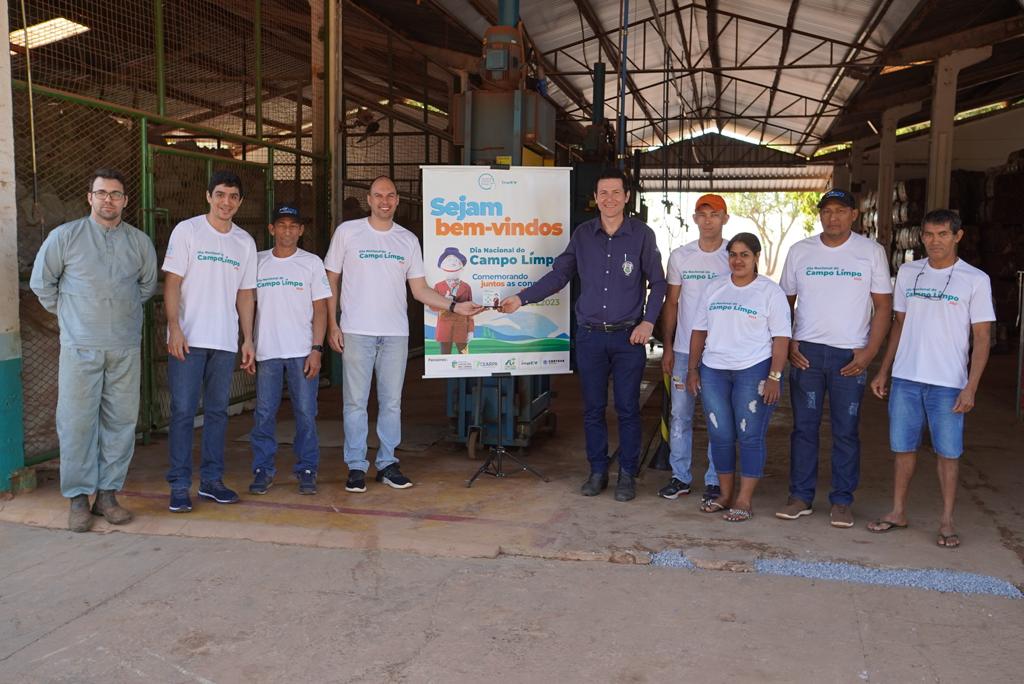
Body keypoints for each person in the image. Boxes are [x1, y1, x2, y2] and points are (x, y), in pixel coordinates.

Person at [500, 168, 666, 502]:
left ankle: (628, 475)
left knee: (627, 409)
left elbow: (658, 283)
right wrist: (521, 298)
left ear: (627, 197)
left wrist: (648, 323)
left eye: (616, 192)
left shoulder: (642, 235)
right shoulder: (582, 235)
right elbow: (559, 275)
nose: (609, 199)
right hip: (590, 337)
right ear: (595, 198)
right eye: (603, 193)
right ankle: (598, 471)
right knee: (592, 409)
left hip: (627, 339)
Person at [325, 176, 482, 493]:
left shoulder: (407, 240)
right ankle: (356, 466)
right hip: (356, 330)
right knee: (355, 403)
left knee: (391, 403)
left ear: (398, 200)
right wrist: (332, 323)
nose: (385, 201)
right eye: (379, 195)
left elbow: (420, 289)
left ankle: (387, 463)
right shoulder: (347, 233)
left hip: (395, 333)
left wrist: (454, 306)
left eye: (391, 196)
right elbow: (330, 280)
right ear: (368, 199)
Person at [30, 169, 158, 532]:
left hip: (124, 347)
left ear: (125, 201)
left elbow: (147, 286)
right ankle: (77, 498)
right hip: (80, 347)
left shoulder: (138, 242)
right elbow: (42, 283)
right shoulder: (65, 237)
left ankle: (107, 495)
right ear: (90, 197)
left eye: (115, 194)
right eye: (101, 193)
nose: (108, 200)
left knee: (120, 422)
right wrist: (73, 315)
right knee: (76, 422)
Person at [867, 210, 994, 548]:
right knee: (903, 449)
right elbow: (898, 324)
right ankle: (897, 511)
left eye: (942, 234)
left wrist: (971, 387)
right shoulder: (909, 272)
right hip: (906, 378)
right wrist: (884, 370)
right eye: (928, 234)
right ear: (921, 236)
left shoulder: (975, 279)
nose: (934, 241)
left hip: (949, 382)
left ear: (958, 236)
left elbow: (982, 338)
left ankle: (947, 520)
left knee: (948, 453)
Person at [776, 189, 892, 528]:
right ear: (820, 215)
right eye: (827, 211)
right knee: (804, 429)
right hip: (807, 355)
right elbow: (785, 303)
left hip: (849, 356)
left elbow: (884, 306)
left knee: (846, 431)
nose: (833, 217)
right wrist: (790, 344)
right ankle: (800, 496)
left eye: (841, 210)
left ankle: (842, 501)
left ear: (854, 215)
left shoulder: (870, 252)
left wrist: (870, 351)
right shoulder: (801, 251)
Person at [163, 170, 257, 512]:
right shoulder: (187, 231)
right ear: (208, 196)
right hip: (187, 339)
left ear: (240, 202)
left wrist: (248, 339)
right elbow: (172, 283)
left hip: (224, 340)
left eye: (233, 197)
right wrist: (174, 327)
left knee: (218, 412)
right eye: (220, 195)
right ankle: (179, 484)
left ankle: (212, 482)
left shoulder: (244, 242)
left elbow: (246, 295)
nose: (226, 202)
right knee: (184, 411)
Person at [686, 233, 790, 522]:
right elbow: (698, 331)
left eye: (745, 254)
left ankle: (744, 499)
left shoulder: (770, 292)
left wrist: (774, 376)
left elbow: (781, 338)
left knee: (749, 435)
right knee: (720, 434)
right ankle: (725, 495)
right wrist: (693, 368)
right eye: (733, 254)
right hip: (714, 370)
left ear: (756, 257)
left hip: (753, 368)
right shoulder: (714, 288)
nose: (738, 260)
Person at [247, 205, 331, 496]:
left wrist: (317, 349)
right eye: (281, 225)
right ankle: (262, 469)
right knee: (264, 413)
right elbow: (247, 302)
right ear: (271, 229)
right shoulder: (257, 262)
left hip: (301, 351)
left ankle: (307, 468)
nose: (287, 231)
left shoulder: (311, 263)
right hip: (267, 351)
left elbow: (320, 309)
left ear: (301, 230)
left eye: (293, 226)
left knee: (306, 412)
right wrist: (247, 341)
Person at [659, 194, 730, 504]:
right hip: (685, 349)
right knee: (680, 415)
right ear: (695, 219)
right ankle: (680, 477)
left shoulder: (734, 255)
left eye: (714, 214)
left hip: (721, 352)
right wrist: (668, 347)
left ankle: (715, 480)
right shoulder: (681, 256)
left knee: (717, 416)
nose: (708, 220)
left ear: (725, 218)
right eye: (703, 214)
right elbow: (672, 302)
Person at [431, 247, 475, 354]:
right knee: (445, 356)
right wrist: (444, 302)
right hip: (444, 328)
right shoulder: (438, 286)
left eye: (455, 262)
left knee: (465, 355)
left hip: (462, 328)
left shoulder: (466, 287)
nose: (452, 264)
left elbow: (471, 311)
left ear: (462, 268)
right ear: (442, 268)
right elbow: (432, 307)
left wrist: (470, 330)